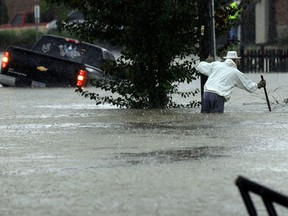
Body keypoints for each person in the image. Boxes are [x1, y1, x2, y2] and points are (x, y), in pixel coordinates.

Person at [196, 51, 266, 113]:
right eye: (238, 60)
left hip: (206, 94)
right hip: (218, 96)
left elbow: (200, 66)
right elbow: (248, 85)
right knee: (217, 121)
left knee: (205, 117)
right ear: (235, 60)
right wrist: (259, 85)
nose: (239, 61)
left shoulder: (217, 65)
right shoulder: (235, 72)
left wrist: (207, 62)